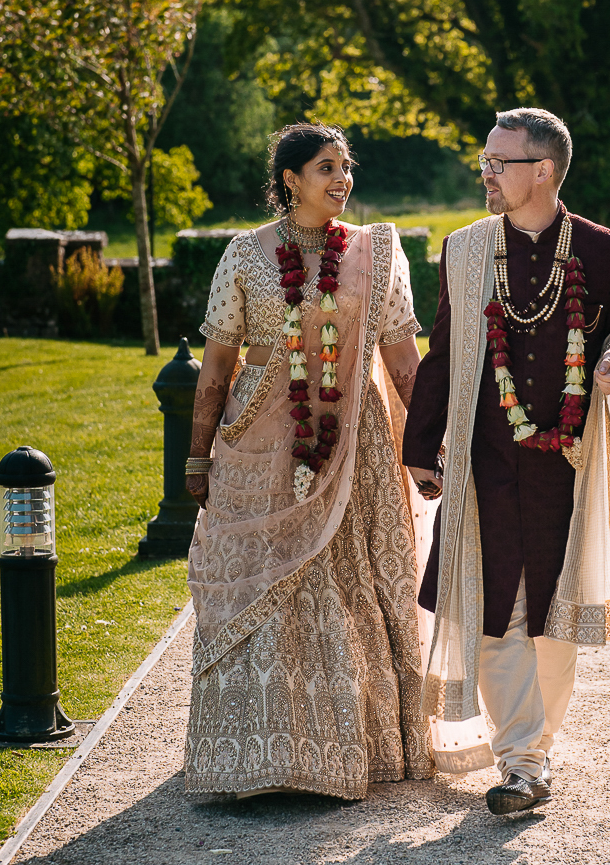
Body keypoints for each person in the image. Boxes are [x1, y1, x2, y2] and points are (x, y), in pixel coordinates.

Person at [403, 107, 610, 815]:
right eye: (484, 160)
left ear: (542, 170)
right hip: (485, 465)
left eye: (498, 162)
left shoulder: (602, 251)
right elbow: (445, 351)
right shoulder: (467, 248)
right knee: (490, 610)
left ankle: (532, 755)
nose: (485, 172)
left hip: (565, 467)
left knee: (551, 617)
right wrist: (422, 448)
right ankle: (522, 764)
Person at [182, 123, 433, 799]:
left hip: (358, 443)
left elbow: (402, 358)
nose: (343, 180)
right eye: (327, 167)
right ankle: (258, 760)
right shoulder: (244, 255)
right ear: (291, 180)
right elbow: (216, 364)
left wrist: (424, 448)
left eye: (347, 167)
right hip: (262, 441)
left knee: (352, 584)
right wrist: (197, 456)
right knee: (267, 587)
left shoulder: (380, 252)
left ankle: (360, 751)